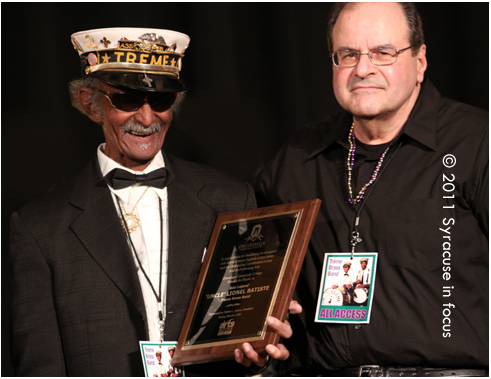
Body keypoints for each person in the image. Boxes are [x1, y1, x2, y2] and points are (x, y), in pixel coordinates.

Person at [9, 27, 298, 377]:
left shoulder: (232, 198)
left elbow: (247, 339)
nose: (148, 119)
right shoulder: (38, 228)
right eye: (128, 100)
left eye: (160, 101)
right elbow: (39, 367)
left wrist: (259, 354)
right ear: (91, 103)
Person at [256, 2, 488, 376]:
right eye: (347, 55)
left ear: (420, 61)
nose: (363, 69)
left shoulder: (477, 142)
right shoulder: (298, 161)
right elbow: (253, 268)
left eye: (383, 53)